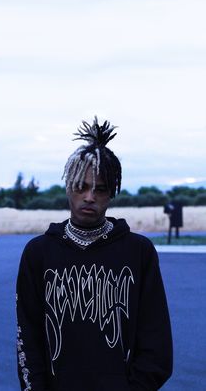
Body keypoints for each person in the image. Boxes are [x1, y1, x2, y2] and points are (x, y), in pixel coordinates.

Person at [16, 116, 173, 391]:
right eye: (81, 186)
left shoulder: (138, 252)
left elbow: (156, 342)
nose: (89, 197)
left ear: (112, 193)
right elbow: (27, 338)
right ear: (68, 188)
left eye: (99, 189)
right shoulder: (38, 253)